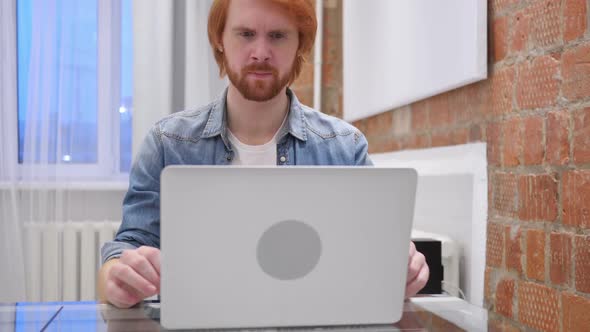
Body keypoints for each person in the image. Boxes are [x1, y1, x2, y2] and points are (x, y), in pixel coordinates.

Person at [98, 0, 429, 309]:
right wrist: (115, 274)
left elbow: (374, 252)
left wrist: (401, 269)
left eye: (278, 36)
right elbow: (129, 244)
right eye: (245, 34)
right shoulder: (168, 143)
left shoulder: (344, 146)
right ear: (219, 41)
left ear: (300, 44)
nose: (261, 52)